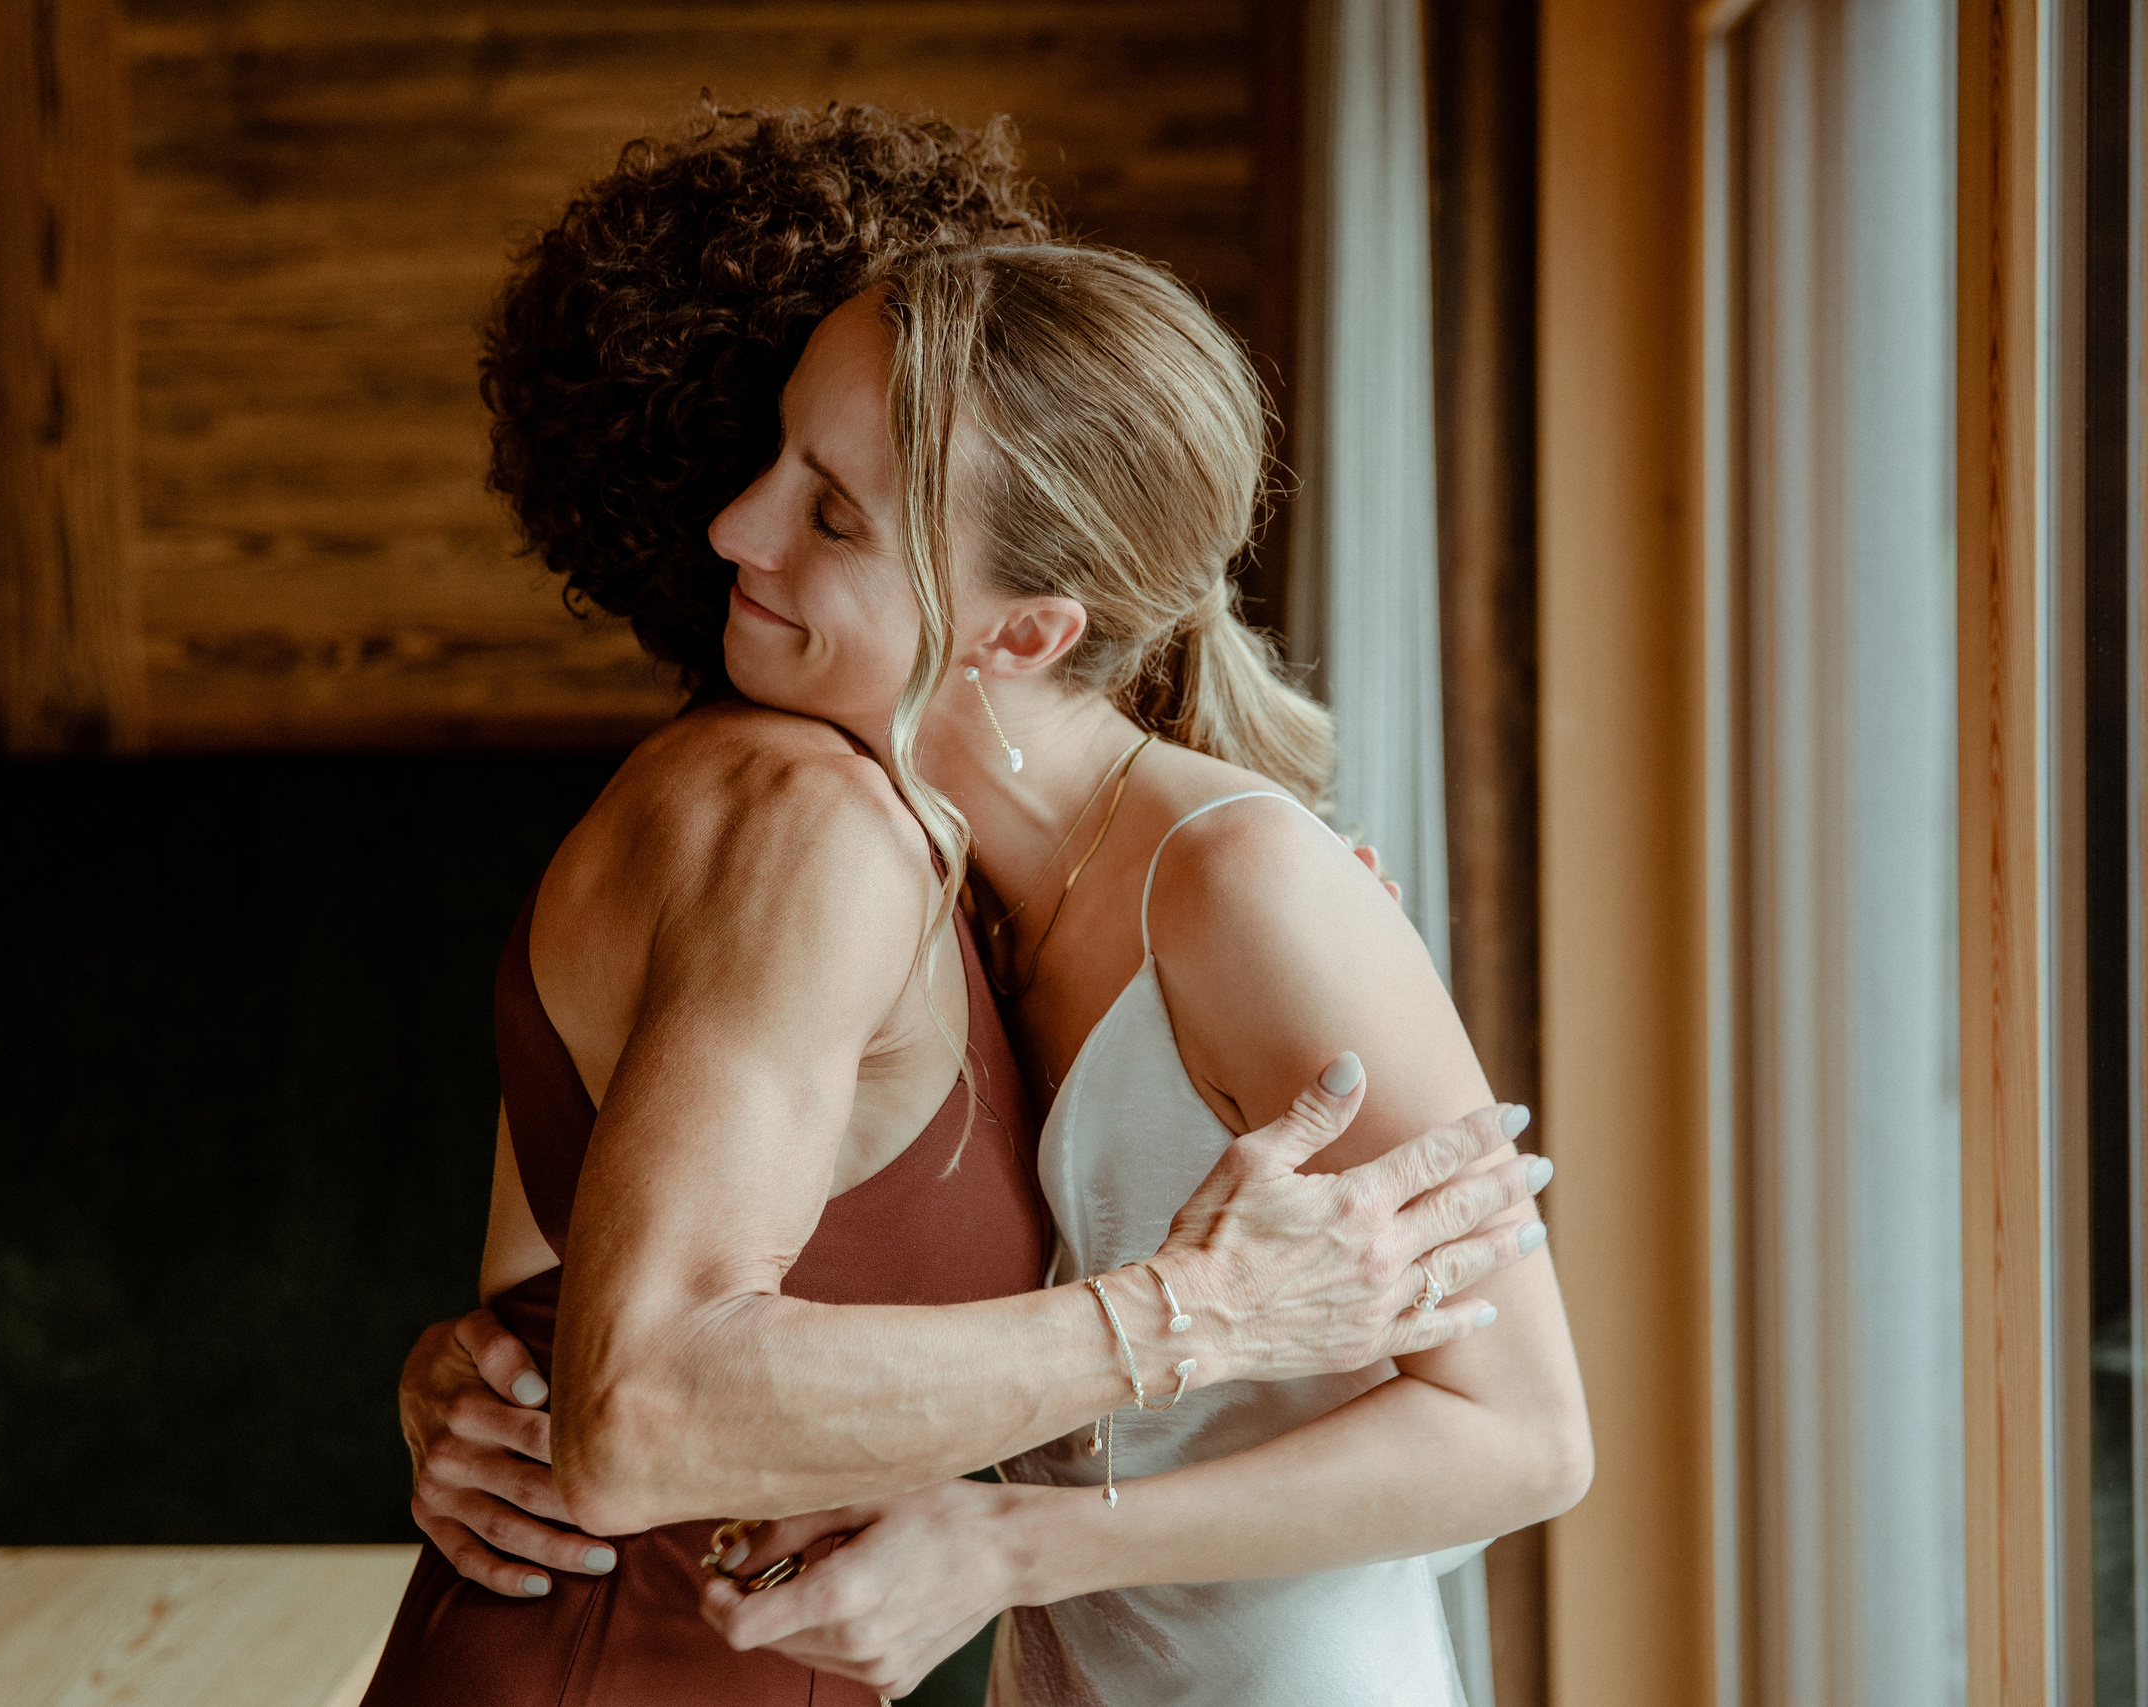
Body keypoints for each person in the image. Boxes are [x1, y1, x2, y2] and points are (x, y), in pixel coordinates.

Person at [368, 107, 1563, 1707]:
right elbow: (594, 1285)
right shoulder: (916, 874)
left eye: (835, 512)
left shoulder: (1244, 882)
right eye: (770, 460)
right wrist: (457, 1377)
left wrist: (1013, 1551)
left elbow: (1527, 1437)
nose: (741, 528)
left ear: (1023, 631)